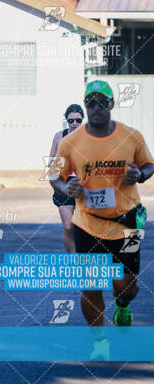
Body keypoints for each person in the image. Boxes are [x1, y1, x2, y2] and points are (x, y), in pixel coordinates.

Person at [50, 80, 154, 360]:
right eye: (90, 102)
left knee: (127, 287)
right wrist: (65, 188)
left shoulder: (132, 136)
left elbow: (149, 164)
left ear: (111, 104)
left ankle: (122, 304)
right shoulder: (69, 142)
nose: (96, 107)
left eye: (101, 102)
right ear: (86, 106)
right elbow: (54, 176)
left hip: (128, 222)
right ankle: (100, 344)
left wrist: (141, 175)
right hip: (88, 222)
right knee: (91, 286)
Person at [49, 104, 84, 252]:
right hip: (64, 183)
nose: (74, 123)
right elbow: (51, 161)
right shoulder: (59, 136)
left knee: (85, 228)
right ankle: (73, 260)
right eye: (71, 120)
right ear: (66, 121)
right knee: (68, 225)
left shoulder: (90, 137)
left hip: (85, 184)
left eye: (78, 120)